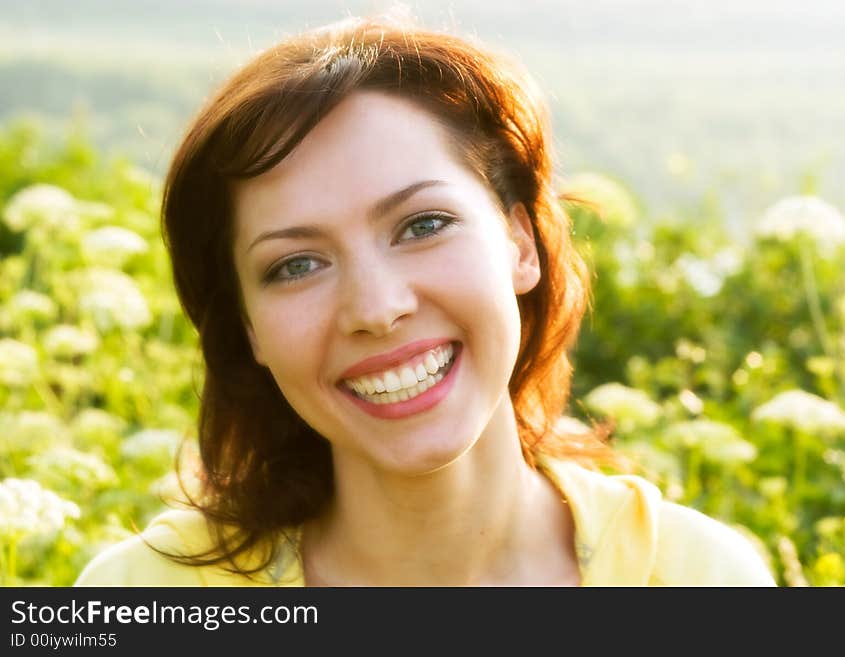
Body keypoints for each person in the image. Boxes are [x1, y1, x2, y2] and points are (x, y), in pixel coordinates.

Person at [75, 14, 776, 587]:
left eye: (422, 225)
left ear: (520, 243)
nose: (375, 308)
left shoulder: (700, 578)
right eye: (295, 265)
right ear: (248, 327)